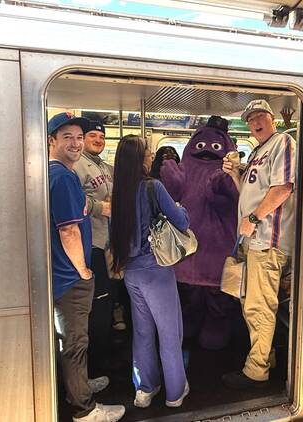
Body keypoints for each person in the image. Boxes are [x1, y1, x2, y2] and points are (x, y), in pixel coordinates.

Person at [47, 112, 125, 422]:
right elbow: (68, 230)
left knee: (72, 340)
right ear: (51, 140)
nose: (76, 143)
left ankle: (77, 385)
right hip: (70, 276)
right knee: (76, 342)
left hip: (63, 273)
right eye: (67, 137)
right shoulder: (65, 177)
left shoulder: (56, 173)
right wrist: (83, 269)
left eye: (79, 137)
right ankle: (84, 409)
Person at [110, 135, 190, 408]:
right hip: (156, 270)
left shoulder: (118, 191)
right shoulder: (153, 187)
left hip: (132, 273)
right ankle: (175, 393)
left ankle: (145, 390)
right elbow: (180, 221)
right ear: (141, 159)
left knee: (142, 332)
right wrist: (181, 208)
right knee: (169, 333)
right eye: (148, 152)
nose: (151, 155)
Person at [221, 99, 296, 389]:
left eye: (261, 116)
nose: (256, 122)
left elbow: (283, 187)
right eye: (251, 119)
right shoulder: (257, 152)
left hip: (268, 239)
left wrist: (253, 217)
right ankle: (267, 357)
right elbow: (250, 191)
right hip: (252, 238)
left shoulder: (283, 143)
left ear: (272, 118)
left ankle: (256, 371)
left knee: (259, 306)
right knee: (252, 303)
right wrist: (234, 175)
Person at [160, 116, 241, 351]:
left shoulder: (228, 175)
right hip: (189, 248)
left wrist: (222, 183)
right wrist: (169, 173)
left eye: (216, 147)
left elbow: (233, 199)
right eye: (202, 145)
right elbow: (172, 192)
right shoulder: (185, 170)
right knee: (191, 298)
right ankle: (194, 326)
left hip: (214, 249)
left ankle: (214, 328)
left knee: (217, 300)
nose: (207, 150)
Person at [72, 121, 123, 376]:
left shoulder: (103, 165)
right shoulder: (77, 164)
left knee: (107, 299)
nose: (98, 139)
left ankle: (103, 354)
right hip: (89, 243)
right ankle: (94, 365)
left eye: (101, 136)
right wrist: (98, 207)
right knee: (97, 305)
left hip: (105, 242)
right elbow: (71, 197)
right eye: (92, 135)